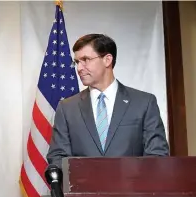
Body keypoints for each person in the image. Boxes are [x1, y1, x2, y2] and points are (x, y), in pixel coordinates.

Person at [46, 34, 169, 167]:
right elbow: (58, 157)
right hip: (82, 187)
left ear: (107, 60)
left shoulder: (144, 103)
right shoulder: (67, 108)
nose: (79, 68)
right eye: (77, 62)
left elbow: (157, 155)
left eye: (85, 59)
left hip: (132, 186)